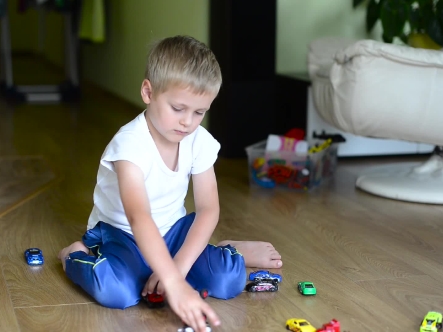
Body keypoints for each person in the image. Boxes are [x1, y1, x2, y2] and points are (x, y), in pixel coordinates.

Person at [58, 35, 282, 332]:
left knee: (229, 280)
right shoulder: (129, 145)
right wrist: (175, 282)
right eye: (178, 108)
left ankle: (226, 248)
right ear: (148, 92)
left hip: (173, 230)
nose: (188, 122)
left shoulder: (198, 141)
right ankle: (72, 255)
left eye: (199, 112)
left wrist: (178, 269)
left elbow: (207, 210)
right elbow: (139, 218)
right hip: (123, 234)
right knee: (117, 292)